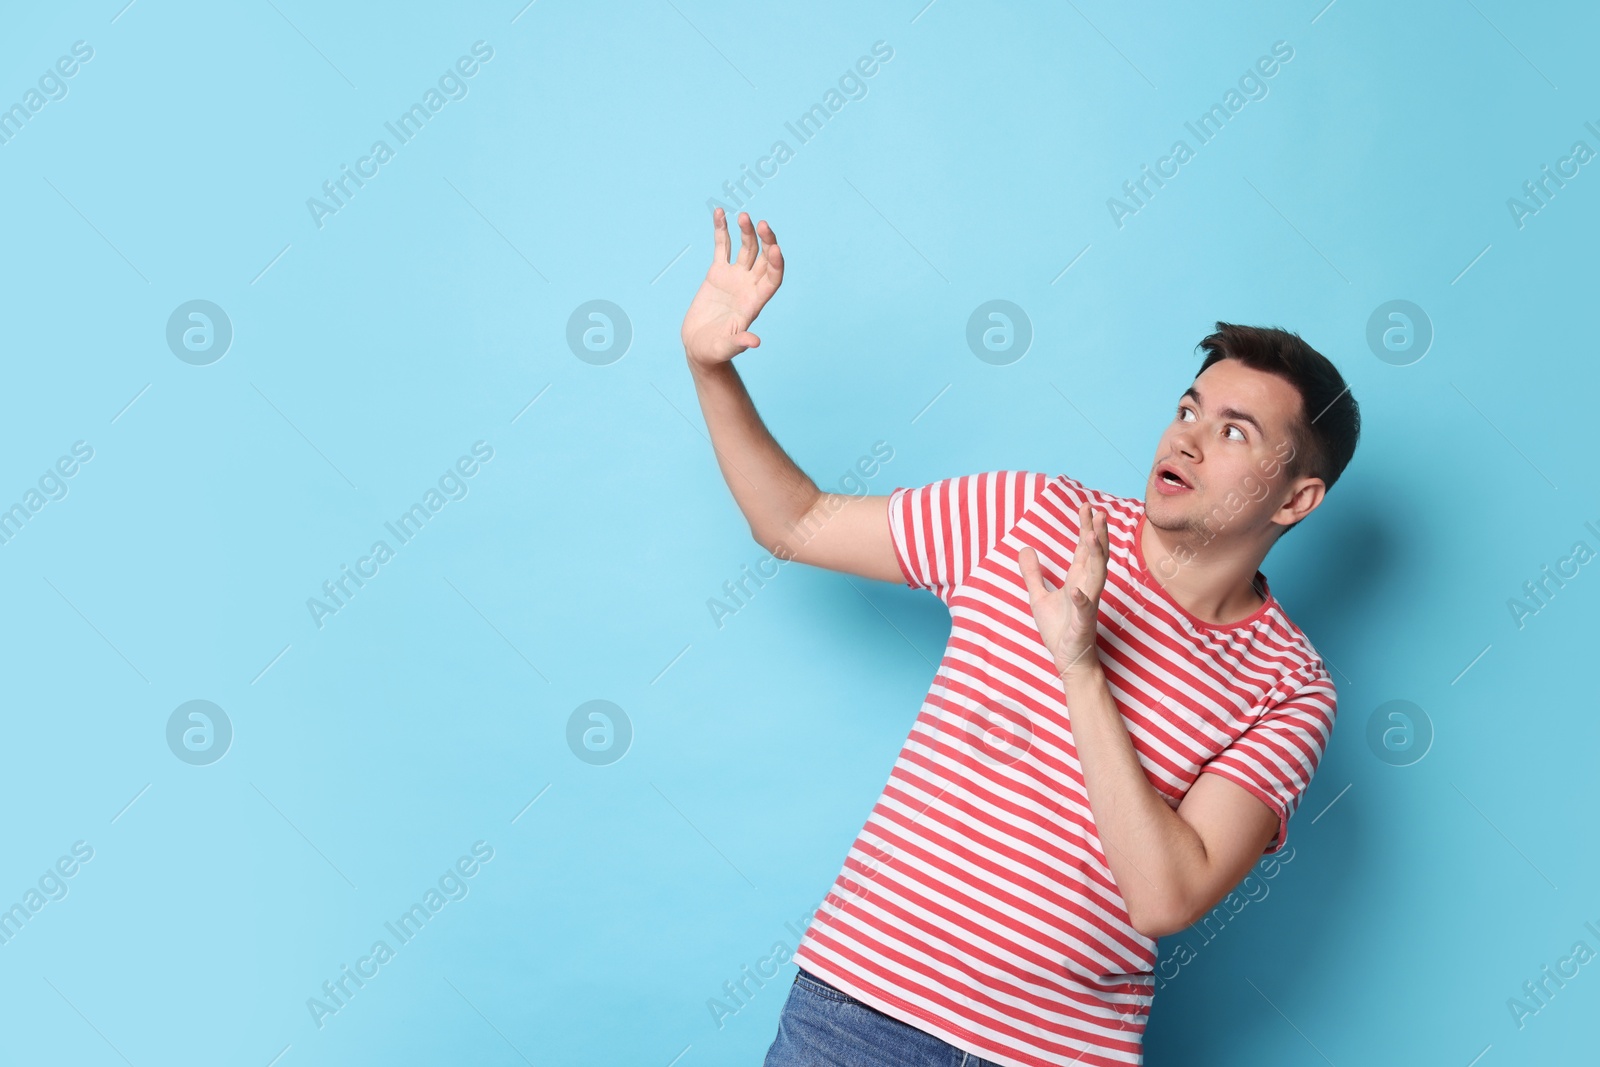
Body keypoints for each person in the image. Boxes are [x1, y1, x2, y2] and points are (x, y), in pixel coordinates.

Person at [680, 208, 1359, 1067]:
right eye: (1190, 407)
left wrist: (1081, 665)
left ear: (1296, 499)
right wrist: (710, 369)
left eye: (1234, 431)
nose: (1186, 434)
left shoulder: (1290, 688)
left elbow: (1165, 893)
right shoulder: (1031, 516)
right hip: (858, 1013)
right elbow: (797, 520)